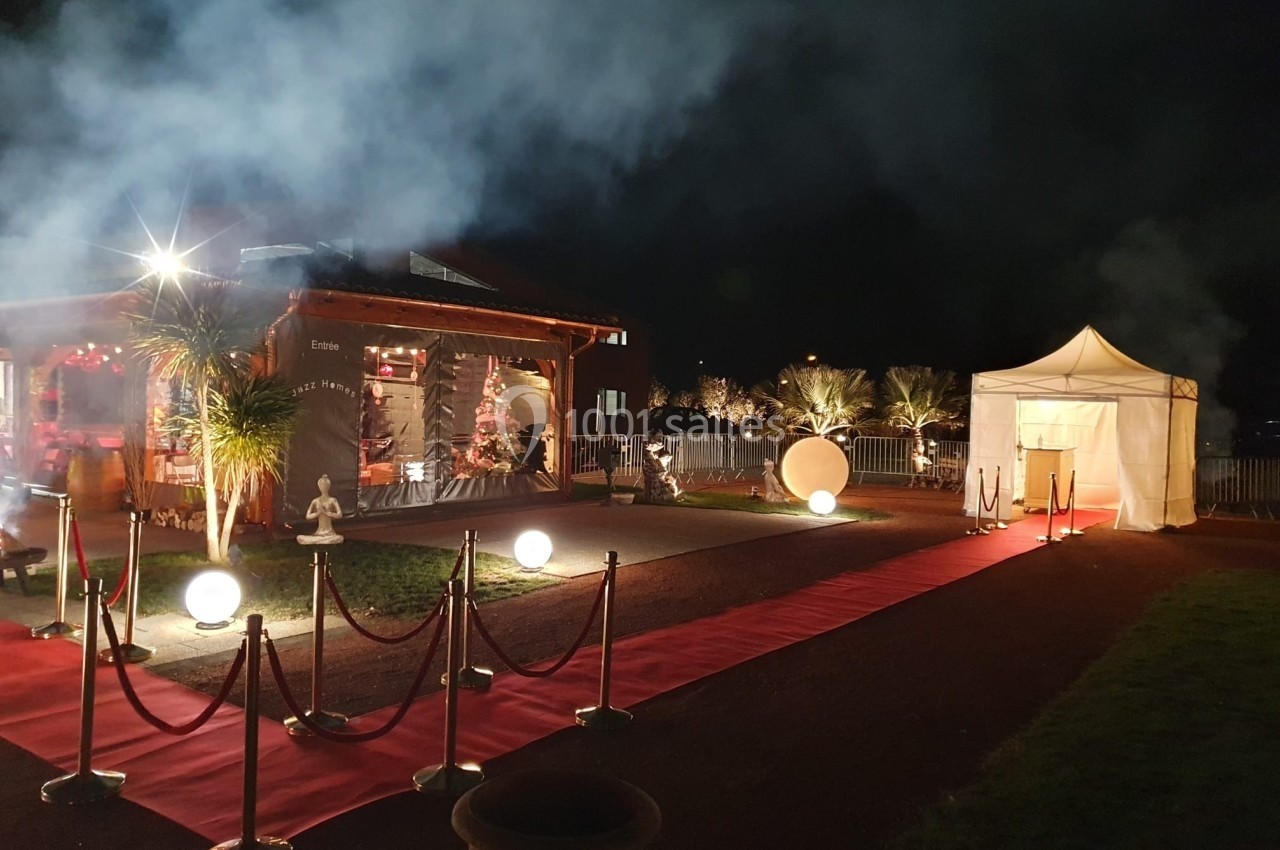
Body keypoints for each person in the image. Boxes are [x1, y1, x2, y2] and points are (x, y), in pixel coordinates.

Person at [297, 474, 344, 544]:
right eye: (321, 486)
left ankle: (323, 540)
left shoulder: (333, 500)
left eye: (325, 485)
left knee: (339, 538)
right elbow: (308, 516)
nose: (323, 487)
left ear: (329, 487)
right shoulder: (315, 501)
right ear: (319, 487)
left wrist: (326, 512)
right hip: (319, 533)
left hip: (330, 533)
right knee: (299, 537)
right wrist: (318, 513)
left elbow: (339, 515)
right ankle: (320, 540)